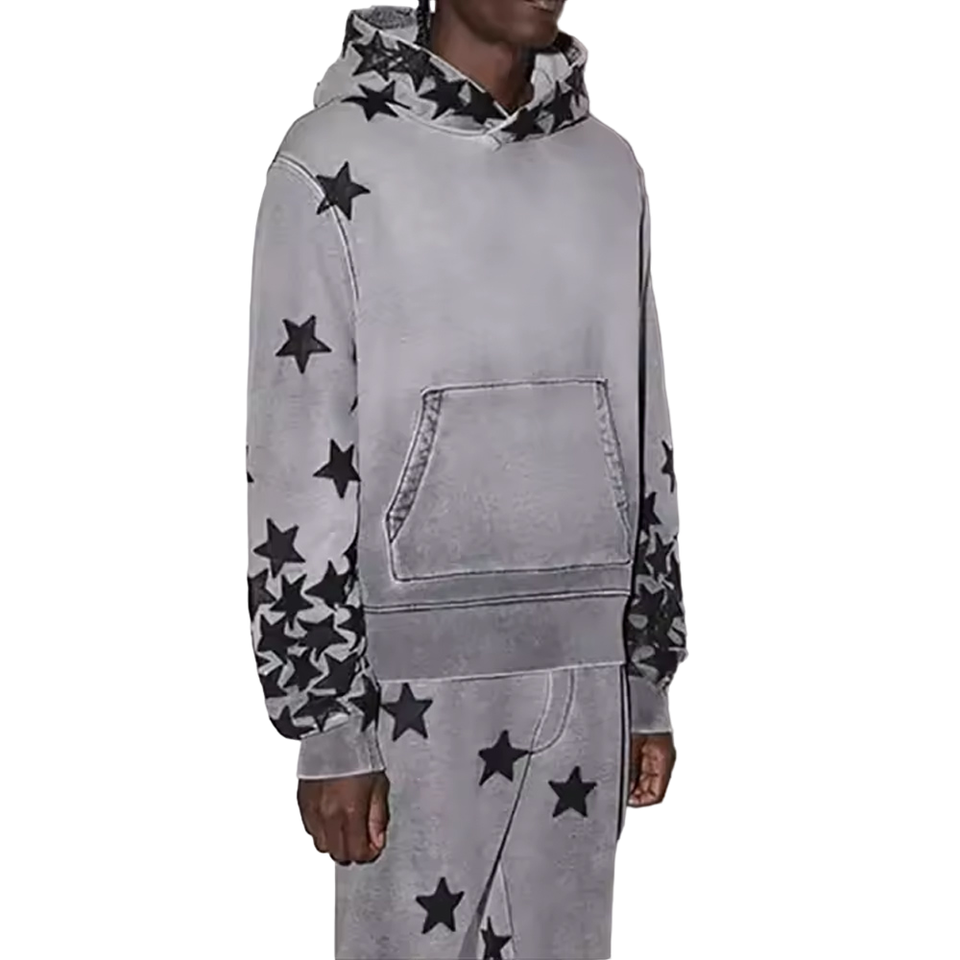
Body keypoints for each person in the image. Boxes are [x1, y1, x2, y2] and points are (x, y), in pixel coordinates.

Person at [245, 2, 688, 958]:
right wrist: (329, 724)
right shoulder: (330, 163)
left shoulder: (608, 169)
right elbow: (295, 451)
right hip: (413, 678)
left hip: (587, 663)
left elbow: (644, 417)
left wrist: (647, 675)